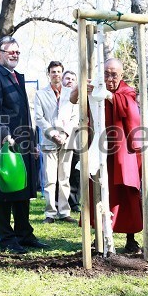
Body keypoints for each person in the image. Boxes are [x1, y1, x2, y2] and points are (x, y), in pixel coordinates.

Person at [0, 35, 47, 254]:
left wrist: (32, 143)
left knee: (23, 190)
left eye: (17, 52)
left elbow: (24, 114)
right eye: (11, 52)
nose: (15, 55)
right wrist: (5, 134)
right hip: (2, 143)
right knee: (5, 190)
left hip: (22, 141)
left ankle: (24, 234)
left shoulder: (17, 77)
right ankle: (7, 239)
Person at [80, 58, 143, 253]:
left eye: (114, 74)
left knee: (126, 192)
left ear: (121, 75)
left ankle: (130, 239)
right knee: (97, 189)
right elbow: (77, 101)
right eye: (106, 73)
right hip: (100, 148)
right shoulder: (95, 89)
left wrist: (109, 96)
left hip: (121, 151)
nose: (109, 78)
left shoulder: (126, 92)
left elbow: (131, 110)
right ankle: (98, 236)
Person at [34, 62, 78, 224]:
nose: (56, 75)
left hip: (66, 140)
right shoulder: (40, 94)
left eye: (59, 72)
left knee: (64, 178)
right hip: (49, 140)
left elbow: (75, 116)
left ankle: (65, 212)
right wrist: (53, 134)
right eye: (53, 72)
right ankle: (50, 213)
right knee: (50, 178)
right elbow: (39, 118)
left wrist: (65, 133)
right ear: (49, 73)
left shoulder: (71, 93)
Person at [62, 70, 81, 212]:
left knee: (75, 170)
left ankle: (74, 202)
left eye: (72, 79)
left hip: (78, 137)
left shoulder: (80, 96)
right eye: (67, 78)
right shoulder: (59, 96)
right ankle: (60, 202)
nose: (70, 81)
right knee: (61, 171)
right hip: (61, 137)